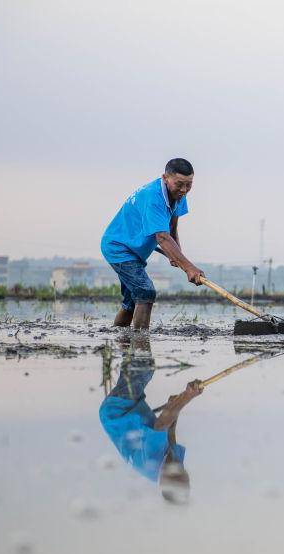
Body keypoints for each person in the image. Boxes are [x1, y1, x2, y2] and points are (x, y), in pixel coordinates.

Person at [100, 158, 205, 330]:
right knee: (145, 292)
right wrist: (189, 268)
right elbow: (162, 237)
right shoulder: (153, 197)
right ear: (165, 178)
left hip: (135, 251)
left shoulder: (179, 194)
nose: (184, 190)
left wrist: (176, 255)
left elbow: (171, 226)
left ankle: (120, 340)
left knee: (131, 303)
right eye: (179, 184)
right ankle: (141, 348)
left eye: (189, 185)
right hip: (119, 248)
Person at [99, 339, 198, 504]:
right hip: (132, 410)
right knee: (136, 364)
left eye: (178, 478)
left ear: (165, 482)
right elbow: (170, 431)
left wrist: (188, 395)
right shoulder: (175, 464)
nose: (182, 472)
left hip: (117, 412)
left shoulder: (151, 463)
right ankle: (126, 327)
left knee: (144, 366)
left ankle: (138, 322)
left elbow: (161, 425)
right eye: (185, 478)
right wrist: (175, 403)